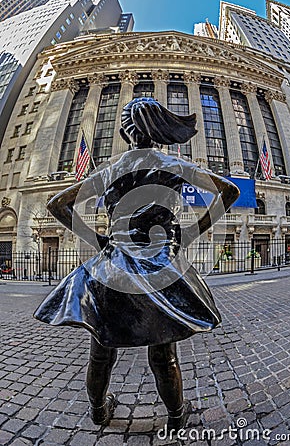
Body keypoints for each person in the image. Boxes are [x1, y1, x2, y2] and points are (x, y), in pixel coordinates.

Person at [34, 97, 239, 432]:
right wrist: (190, 233)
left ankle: (99, 411)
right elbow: (228, 191)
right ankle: (175, 416)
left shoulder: (113, 168)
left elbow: (59, 204)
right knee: (164, 355)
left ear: (127, 131)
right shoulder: (171, 164)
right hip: (160, 266)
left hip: (113, 266)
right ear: (157, 130)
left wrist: (98, 240)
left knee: (101, 352)